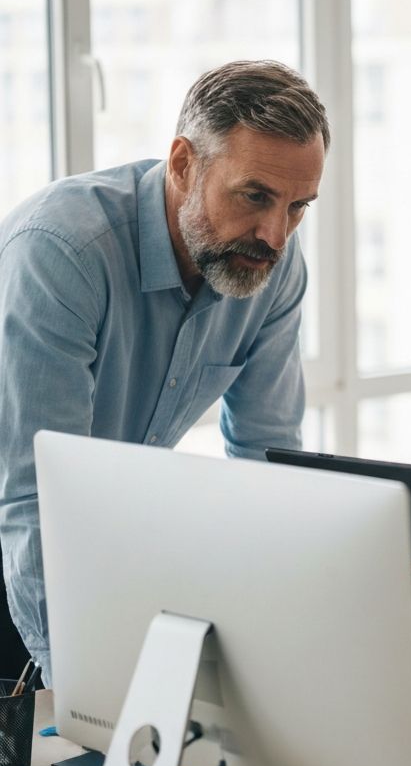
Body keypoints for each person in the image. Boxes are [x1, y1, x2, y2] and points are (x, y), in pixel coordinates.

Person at [0, 60, 329, 682]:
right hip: (17, 540)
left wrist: (285, 640)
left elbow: (269, 463)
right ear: (183, 163)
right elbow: (34, 495)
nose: (275, 234)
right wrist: (77, 677)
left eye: (298, 207)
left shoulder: (272, 268)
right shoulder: (63, 252)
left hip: (104, 549)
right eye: (255, 195)